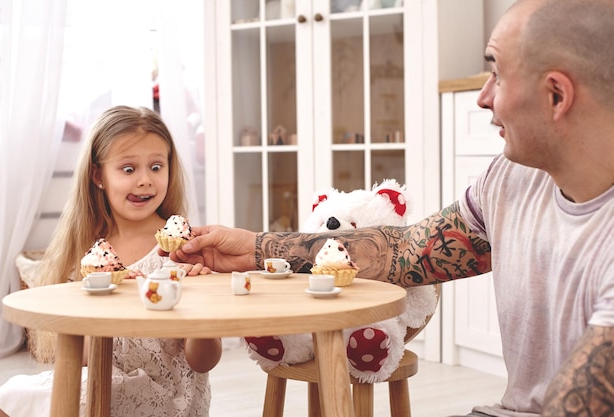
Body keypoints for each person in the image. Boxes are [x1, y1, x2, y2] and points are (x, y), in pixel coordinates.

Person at [161, 0, 614, 416]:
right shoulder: (512, 179)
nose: (483, 96)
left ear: (557, 95)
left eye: (497, 74)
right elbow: (406, 250)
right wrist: (258, 248)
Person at [0, 105, 222, 417]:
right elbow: (83, 357)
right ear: (98, 175)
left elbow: (204, 361)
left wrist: (201, 305)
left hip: (166, 397)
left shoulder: (183, 251)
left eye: (156, 167)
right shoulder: (92, 253)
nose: (144, 181)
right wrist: (99, 303)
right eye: (128, 169)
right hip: (103, 379)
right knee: (3, 399)